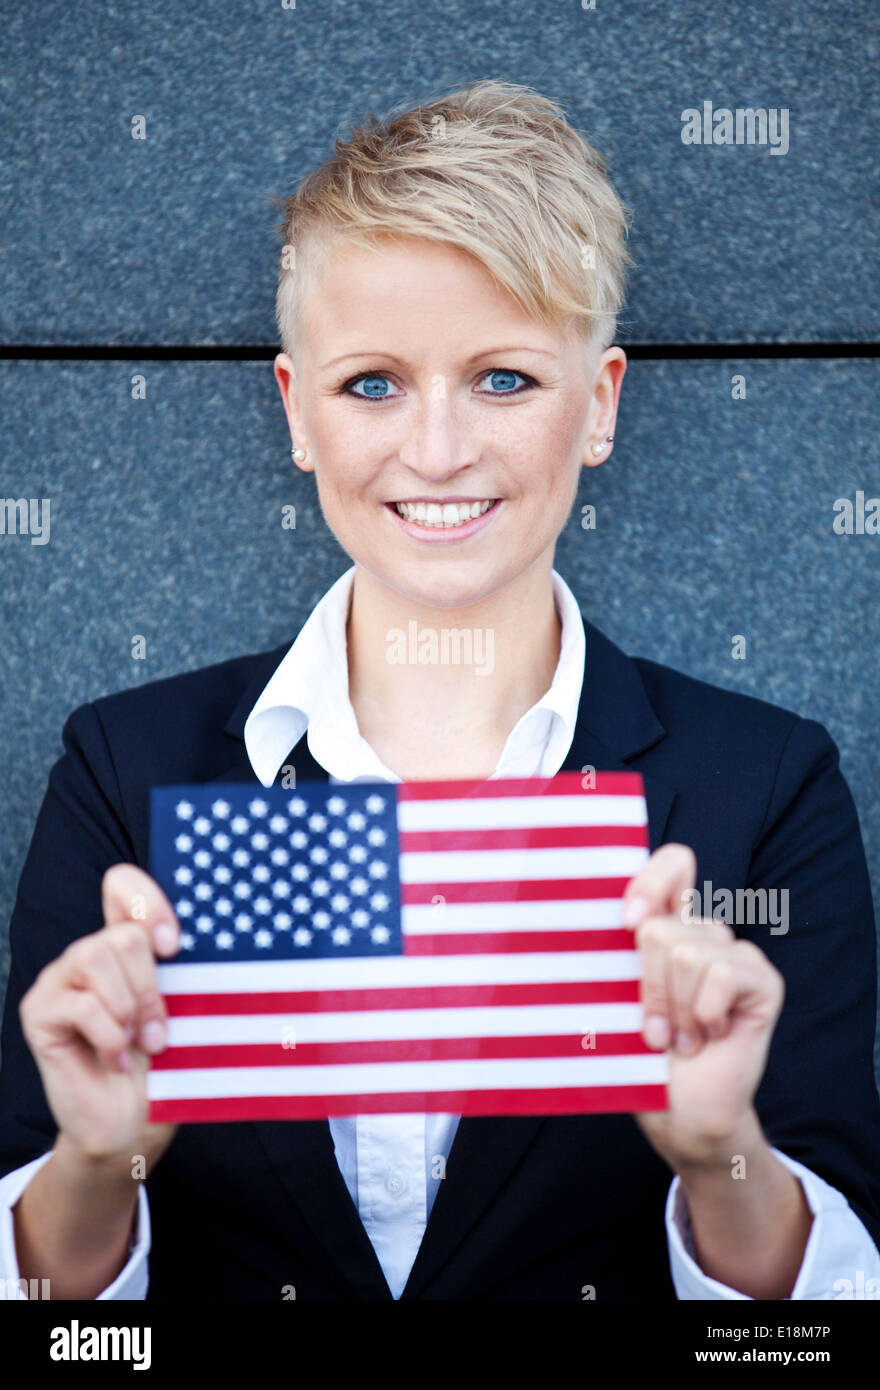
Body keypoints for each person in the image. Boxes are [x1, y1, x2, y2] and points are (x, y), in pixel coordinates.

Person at [1, 77, 880, 1302]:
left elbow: (814, 1338)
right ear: (297, 412)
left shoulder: (764, 787)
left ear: (601, 405)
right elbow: (51, 1332)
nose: (436, 451)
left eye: (503, 379)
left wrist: (720, 1156)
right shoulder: (123, 769)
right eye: (372, 383)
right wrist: (96, 1163)